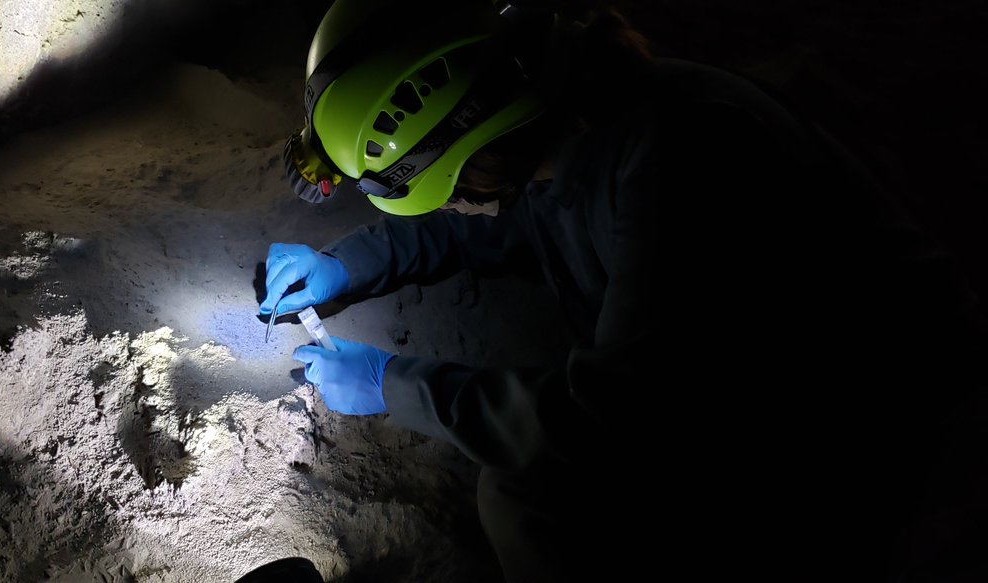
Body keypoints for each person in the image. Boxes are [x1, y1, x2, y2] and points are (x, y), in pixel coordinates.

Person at [260, 1, 988, 580]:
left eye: (450, 188)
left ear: (480, 141)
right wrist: (346, 264)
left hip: (886, 435)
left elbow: (608, 422)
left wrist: (393, 382)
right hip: (764, 372)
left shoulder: (684, 163)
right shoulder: (573, 114)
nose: (455, 205)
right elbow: (492, 225)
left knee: (523, 500)